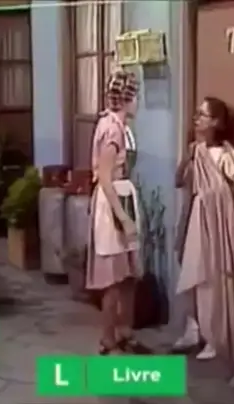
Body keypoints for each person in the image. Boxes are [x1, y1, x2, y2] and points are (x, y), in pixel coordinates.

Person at [173, 96, 234, 386]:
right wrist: (187, 158)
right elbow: (179, 181)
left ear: (216, 122)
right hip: (197, 218)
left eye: (202, 115)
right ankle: (200, 330)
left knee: (219, 280)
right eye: (196, 114)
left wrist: (217, 194)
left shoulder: (226, 153)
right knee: (195, 276)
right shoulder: (196, 151)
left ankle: (227, 347)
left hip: (217, 222)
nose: (196, 119)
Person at [86, 69, 144, 355]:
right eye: (136, 96)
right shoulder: (112, 130)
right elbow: (106, 178)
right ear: (128, 98)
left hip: (123, 196)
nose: (138, 102)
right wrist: (123, 217)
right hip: (112, 204)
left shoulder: (122, 126)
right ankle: (107, 337)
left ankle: (125, 330)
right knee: (112, 278)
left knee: (128, 275)